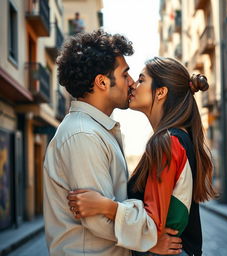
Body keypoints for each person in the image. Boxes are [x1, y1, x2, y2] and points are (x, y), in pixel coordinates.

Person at [43, 31, 182, 256]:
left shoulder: (95, 130)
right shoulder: (83, 135)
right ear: (102, 82)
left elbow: (107, 205)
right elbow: (97, 220)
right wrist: (150, 241)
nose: (132, 82)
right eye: (125, 74)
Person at [67, 57, 217, 256]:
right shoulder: (180, 137)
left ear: (161, 92)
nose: (132, 85)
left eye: (141, 79)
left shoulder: (167, 142)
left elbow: (152, 225)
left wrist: (105, 206)